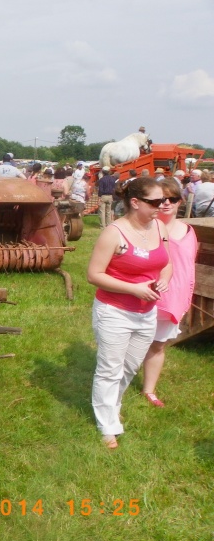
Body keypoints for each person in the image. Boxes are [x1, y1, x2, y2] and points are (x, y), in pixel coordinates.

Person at [87, 177, 172, 449]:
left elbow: (166, 262)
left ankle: (112, 407)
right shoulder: (114, 233)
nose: (163, 205)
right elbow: (93, 275)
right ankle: (107, 425)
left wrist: (165, 279)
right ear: (135, 203)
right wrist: (133, 289)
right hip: (114, 311)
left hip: (146, 312)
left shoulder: (159, 226)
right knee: (110, 369)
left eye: (166, 200)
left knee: (129, 367)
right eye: (156, 201)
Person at [141, 179, 198, 407]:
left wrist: (186, 297)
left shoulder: (189, 231)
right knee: (132, 344)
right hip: (147, 296)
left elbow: (189, 268)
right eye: (160, 199)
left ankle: (149, 390)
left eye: (171, 199)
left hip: (173, 299)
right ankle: (115, 388)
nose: (165, 203)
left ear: (179, 202)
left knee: (158, 344)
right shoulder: (146, 229)